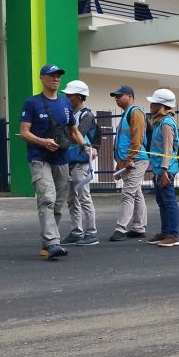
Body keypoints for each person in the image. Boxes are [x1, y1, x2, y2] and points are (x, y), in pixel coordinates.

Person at [18, 64, 86, 259]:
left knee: (58, 202)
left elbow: (74, 130)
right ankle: (53, 242)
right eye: (51, 75)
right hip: (39, 158)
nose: (56, 79)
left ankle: (48, 242)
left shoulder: (65, 104)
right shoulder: (31, 103)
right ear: (42, 78)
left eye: (58, 76)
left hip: (61, 159)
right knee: (47, 198)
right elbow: (24, 133)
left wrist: (85, 146)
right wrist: (42, 141)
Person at [61, 79, 101, 246]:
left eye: (70, 95)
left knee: (84, 197)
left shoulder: (86, 115)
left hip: (80, 163)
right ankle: (77, 231)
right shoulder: (70, 114)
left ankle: (91, 232)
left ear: (79, 96)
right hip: (69, 161)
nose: (67, 97)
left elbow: (76, 135)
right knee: (72, 199)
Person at [108, 85, 150, 242]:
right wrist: (120, 163)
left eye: (120, 96)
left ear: (130, 96)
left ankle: (121, 228)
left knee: (128, 193)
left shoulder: (135, 112)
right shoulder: (126, 114)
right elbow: (122, 141)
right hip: (130, 160)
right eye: (115, 96)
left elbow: (137, 137)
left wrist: (130, 158)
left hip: (137, 159)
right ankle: (139, 227)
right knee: (136, 192)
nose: (117, 99)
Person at [145, 88, 179, 247]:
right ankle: (165, 232)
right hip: (159, 168)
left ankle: (172, 235)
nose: (151, 105)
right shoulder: (159, 122)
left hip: (165, 169)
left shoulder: (166, 123)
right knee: (162, 201)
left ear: (162, 105)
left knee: (169, 201)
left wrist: (165, 170)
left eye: (154, 102)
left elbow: (167, 149)